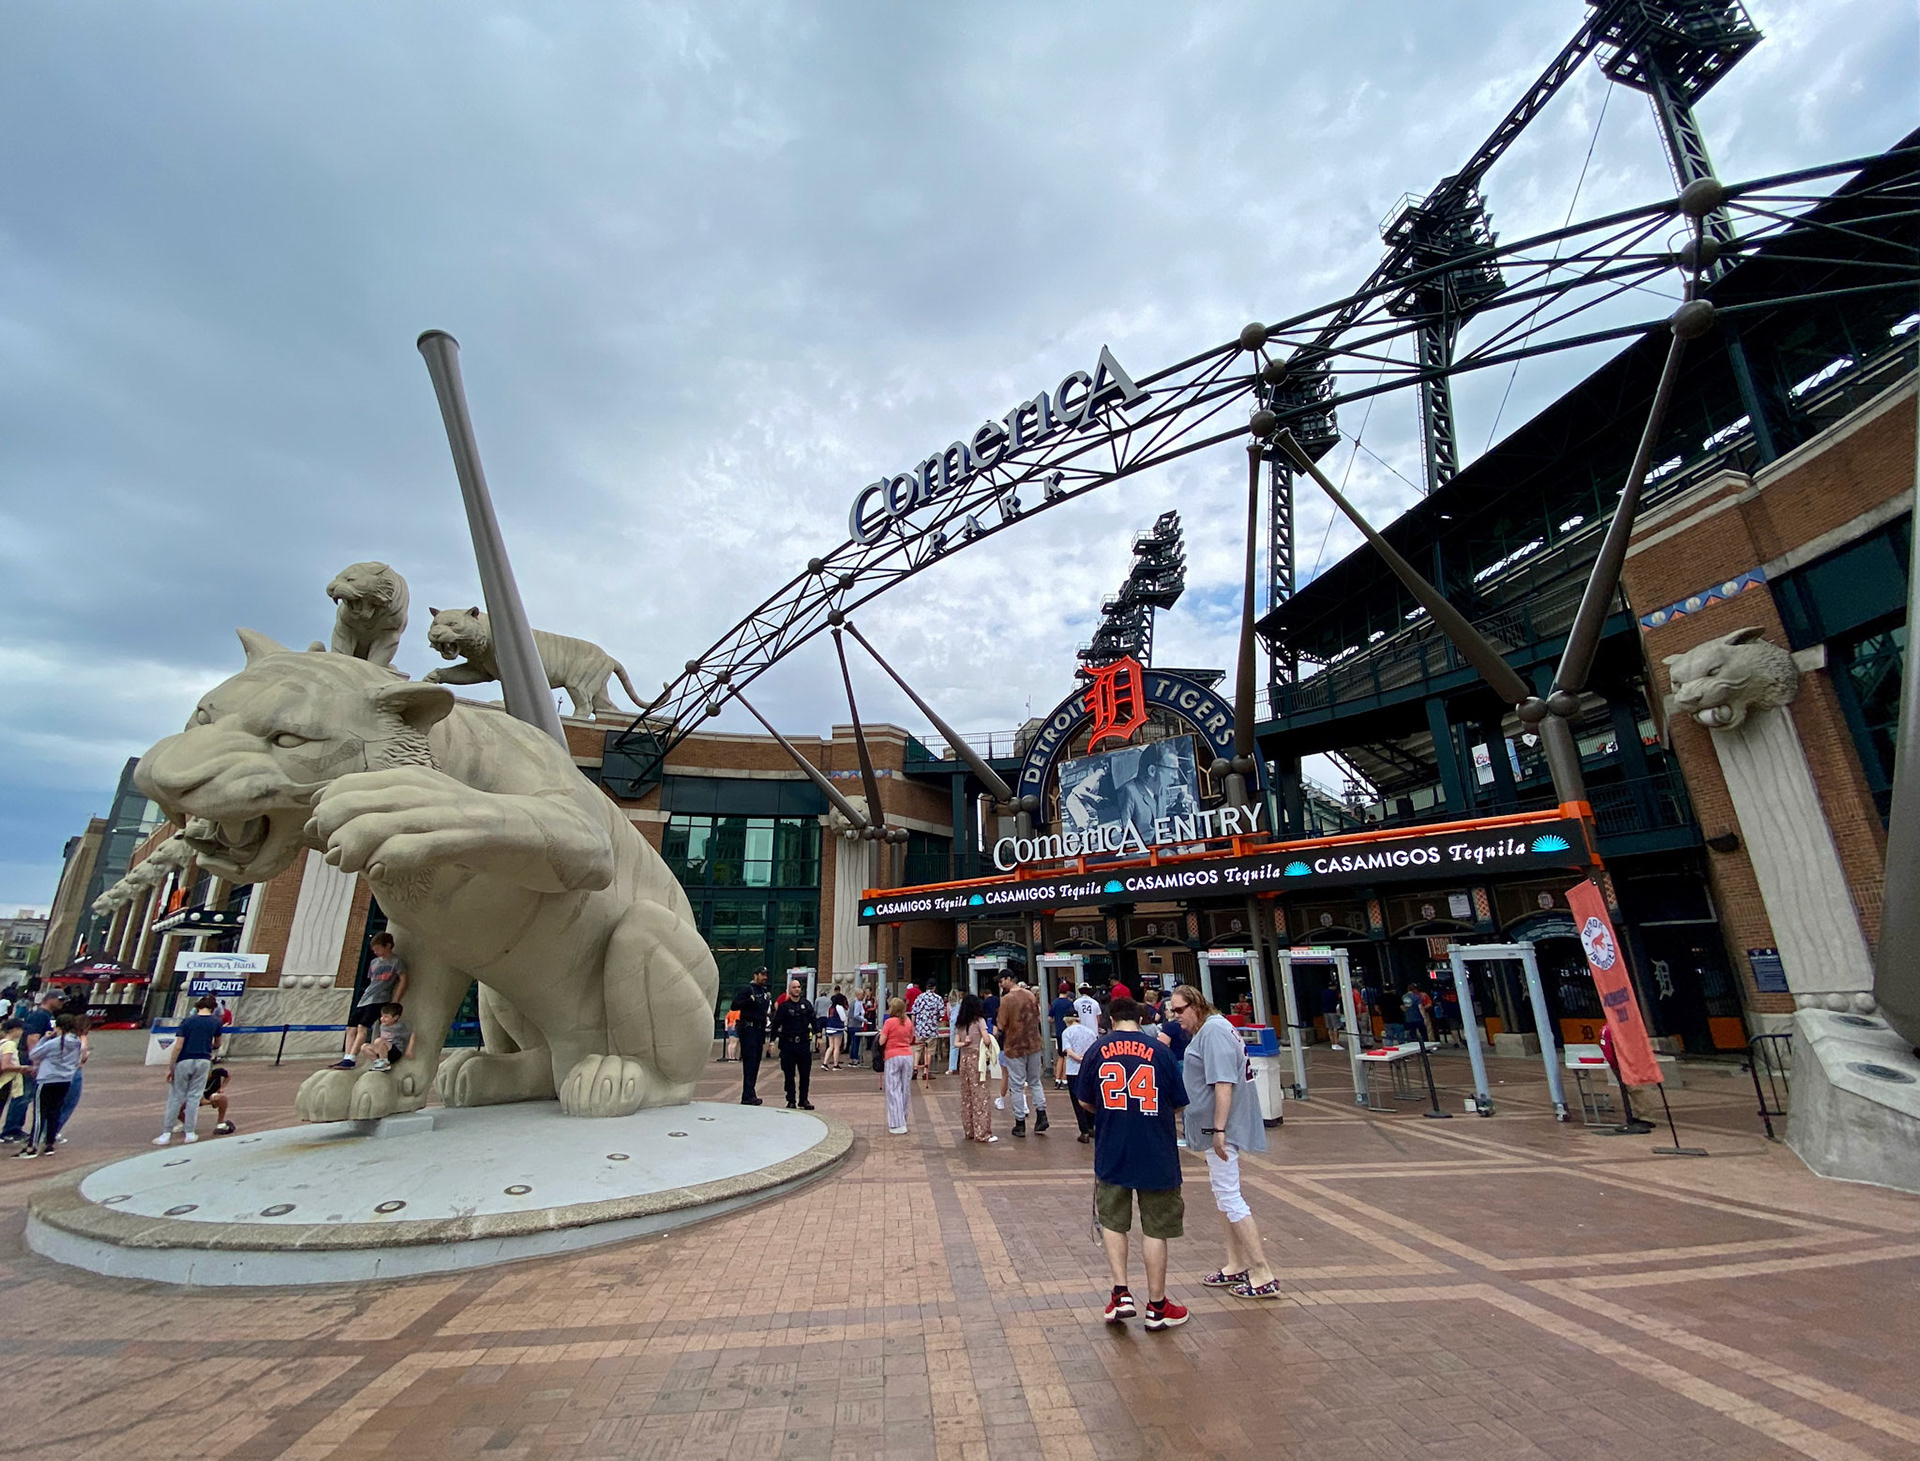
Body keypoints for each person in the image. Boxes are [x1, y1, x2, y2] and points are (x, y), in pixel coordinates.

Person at [1075, 996, 1189, 1330]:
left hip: (1113, 1148)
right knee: (1155, 1228)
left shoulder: (1098, 1050)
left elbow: (1085, 1100)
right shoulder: (1160, 1051)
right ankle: (1157, 1305)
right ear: (1139, 1019)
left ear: (1110, 1019)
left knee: (1114, 1221)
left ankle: (1121, 1292)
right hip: (1157, 1150)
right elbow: (1178, 1103)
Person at [1170, 984, 1280, 1301]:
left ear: (1196, 1006)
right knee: (1223, 1195)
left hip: (1220, 1129)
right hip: (1212, 1127)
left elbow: (1223, 1083)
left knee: (1231, 1196)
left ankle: (1262, 1272)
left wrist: (1219, 1129)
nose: (1175, 1017)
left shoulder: (1214, 1032)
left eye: (1179, 1010)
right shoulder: (1213, 1029)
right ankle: (1236, 1263)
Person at [154, 995, 227, 1145]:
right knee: (194, 1097)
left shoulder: (187, 1021)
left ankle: (166, 1133)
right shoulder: (215, 1022)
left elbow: (178, 1045)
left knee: (176, 1097)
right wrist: (211, 1046)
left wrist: (170, 1066)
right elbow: (218, 1043)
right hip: (203, 1060)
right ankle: (190, 1133)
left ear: (198, 1007)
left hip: (185, 1059)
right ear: (213, 1008)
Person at [337, 932, 408, 1068]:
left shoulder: (396, 961)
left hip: (379, 999)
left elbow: (403, 979)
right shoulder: (374, 962)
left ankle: (351, 1058)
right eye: (374, 950)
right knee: (351, 1028)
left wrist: (396, 998)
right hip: (366, 998)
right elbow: (372, 981)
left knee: (362, 1027)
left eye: (378, 949)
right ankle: (347, 1055)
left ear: (387, 946)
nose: (376, 953)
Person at [19, 1013, 85, 1158]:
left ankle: (33, 1146)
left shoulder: (55, 1042)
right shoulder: (77, 1042)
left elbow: (34, 1054)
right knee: (55, 1112)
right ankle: (49, 1144)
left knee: (39, 1113)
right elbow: (78, 1060)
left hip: (47, 1079)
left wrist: (45, 1038)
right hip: (65, 1080)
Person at [995, 972, 1049, 1137]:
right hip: (1033, 1043)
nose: (1000, 984)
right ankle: (1041, 1115)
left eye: (1001, 980)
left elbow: (1001, 1024)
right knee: (1035, 1081)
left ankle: (1020, 1123)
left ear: (1009, 979)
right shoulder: (1030, 995)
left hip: (1015, 1045)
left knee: (1017, 1085)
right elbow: (1037, 1017)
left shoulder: (1006, 999)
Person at [951, 993, 999, 1143]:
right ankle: (982, 1132)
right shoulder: (979, 1021)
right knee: (980, 1094)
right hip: (977, 1059)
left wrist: (965, 1043)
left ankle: (969, 1129)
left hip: (964, 1059)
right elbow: (986, 1040)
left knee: (967, 1095)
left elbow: (955, 1043)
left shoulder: (960, 1023)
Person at [770, 975, 817, 1109]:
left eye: (798, 987)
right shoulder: (784, 1007)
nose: (797, 989)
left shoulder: (806, 1004)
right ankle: (791, 1100)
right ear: (789, 990)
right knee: (789, 1074)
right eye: (794, 987)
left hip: (803, 1044)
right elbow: (776, 1024)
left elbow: (813, 1020)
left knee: (805, 1074)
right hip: (788, 1045)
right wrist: (772, 1042)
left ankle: (804, 1099)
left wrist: (818, 1035)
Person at [731, 967, 772, 1105]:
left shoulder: (764, 992)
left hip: (759, 1030)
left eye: (766, 975)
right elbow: (734, 1005)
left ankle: (750, 1092)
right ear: (756, 975)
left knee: (755, 1062)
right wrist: (748, 1000)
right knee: (750, 1062)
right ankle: (747, 1094)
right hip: (749, 1029)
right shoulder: (748, 990)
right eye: (762, 975)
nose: (765, 977)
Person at [1061, 1007, 1100, 1143]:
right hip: (1089, 1068)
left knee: (1077, 1100)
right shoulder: (1089, 1031)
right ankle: (1091, 1126)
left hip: (1073, 1070)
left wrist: (1077, 1057)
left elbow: (1068, 1050)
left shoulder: (1067, 1032)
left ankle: (1083, 1131)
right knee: (1090, 1097)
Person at [879, 997, 915, 1135]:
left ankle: (896, 1123)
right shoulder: (908, 1021)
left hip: (893, 1055)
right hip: (907, 1054)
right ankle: (904, 1119)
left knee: (893, 1089)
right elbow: (911, 1039)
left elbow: (882, 1041)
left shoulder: (889, 1022)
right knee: (905, 1089)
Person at [0, 1018, 29, 1144]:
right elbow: (5, 1066)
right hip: (5, 1081)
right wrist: (22, 1068)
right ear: (15, 1030)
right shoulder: (10, 1044)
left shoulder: (2, 1042)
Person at [364, 1003, 415, 1071]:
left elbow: (412, 1034)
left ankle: (385, 1064)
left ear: (395, 1017)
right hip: (382, 1050)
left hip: (395, 1052)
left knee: (379, 1041)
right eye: (382, 1016)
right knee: (364, 1047)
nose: (382, 1019)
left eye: (386, 1016)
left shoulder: (399, 1026)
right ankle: (378, 1063)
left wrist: (409, 1049)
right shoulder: (382, 1026)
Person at [910, 984, 945, 1083]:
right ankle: (926, 1071)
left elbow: (913, 1013)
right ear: (934, 987)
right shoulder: (938, 998)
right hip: (931, 1028)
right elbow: (941, 1014)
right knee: (929, 1051)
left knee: (917, 1049)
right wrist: (936, 1019)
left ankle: (915, 1068)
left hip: (920, 1028)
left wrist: (914, 1026)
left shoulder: (919, 997)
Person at [1049, 986, 1076, 1087]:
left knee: (1060, 1056)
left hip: (1058, 1032)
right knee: (1067, 1056)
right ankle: (1065, 1080)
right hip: (1068, 1032)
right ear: (1068, 991)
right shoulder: (1069, 1003)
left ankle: (1057, 1079)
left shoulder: (1055, 1002)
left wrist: (1056, 1021)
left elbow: (1049, 1018)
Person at [201, 1062, 236, 1135]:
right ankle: (186, 1124)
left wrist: (222, 1087)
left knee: (222, 1098)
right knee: (179, 1107)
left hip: (211, 1095)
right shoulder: (197, 1078)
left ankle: (220, 1122)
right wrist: (207, 1102)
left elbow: (227, 1076)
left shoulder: (218, 1072)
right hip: (196, 1097)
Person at [822, 990, 847, 1070]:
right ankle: (836, 1065)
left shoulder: (830, 1007)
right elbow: (843, 1018)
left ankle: (825, 1063)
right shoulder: (839, 1007)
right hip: (837, 1028)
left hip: (829, 1027)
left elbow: (827, 1016)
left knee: (831, 1046)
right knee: (837, 1047)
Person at [1321, 982, 1344, 1050]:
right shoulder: (1335, 993)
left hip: (1325, 1011)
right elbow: (1338, 1002)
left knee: (1329, 1028)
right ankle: (1336, 1043)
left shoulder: (1323, 993)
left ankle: (1332, 1043)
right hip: (1333, 1011)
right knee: (1335, 1028)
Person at [946, 986, 963, 1074]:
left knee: (953, 1046)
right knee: (963, 1045)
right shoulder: (961, 1003)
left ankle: (952, 1067)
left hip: (953, 1024)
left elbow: (949, 1016)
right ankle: (963, 1066)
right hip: (961, 1023)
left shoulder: (949, 1004)